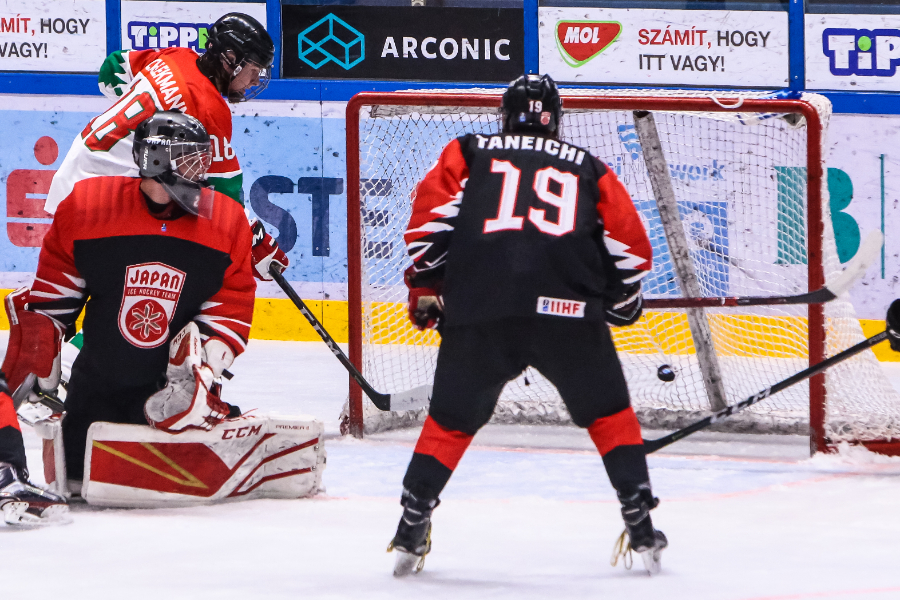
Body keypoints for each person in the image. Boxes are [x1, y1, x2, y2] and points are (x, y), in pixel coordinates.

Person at [387, 74, 666, 576]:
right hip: (567, 315)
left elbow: (427, 229)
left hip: (481, 311)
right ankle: (640, 517)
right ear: (554, 119)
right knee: (609, 413)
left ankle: (413, 518)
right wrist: (621, 293)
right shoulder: (588, 166)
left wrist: (428, 284)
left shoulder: (469, 151)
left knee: (449, 422)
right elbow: (630, 250)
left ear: (504, 114)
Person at [0, 111, 255, 525]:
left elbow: (232, 302)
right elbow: (52, 300)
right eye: (189, 158)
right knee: (80, 477)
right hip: (96, 388)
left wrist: (206, 364)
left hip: (174, 396)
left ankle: (194, 395)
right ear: (156, 159)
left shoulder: (226, 220)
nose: (202, 168)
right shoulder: (87, 208)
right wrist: (37, 361)